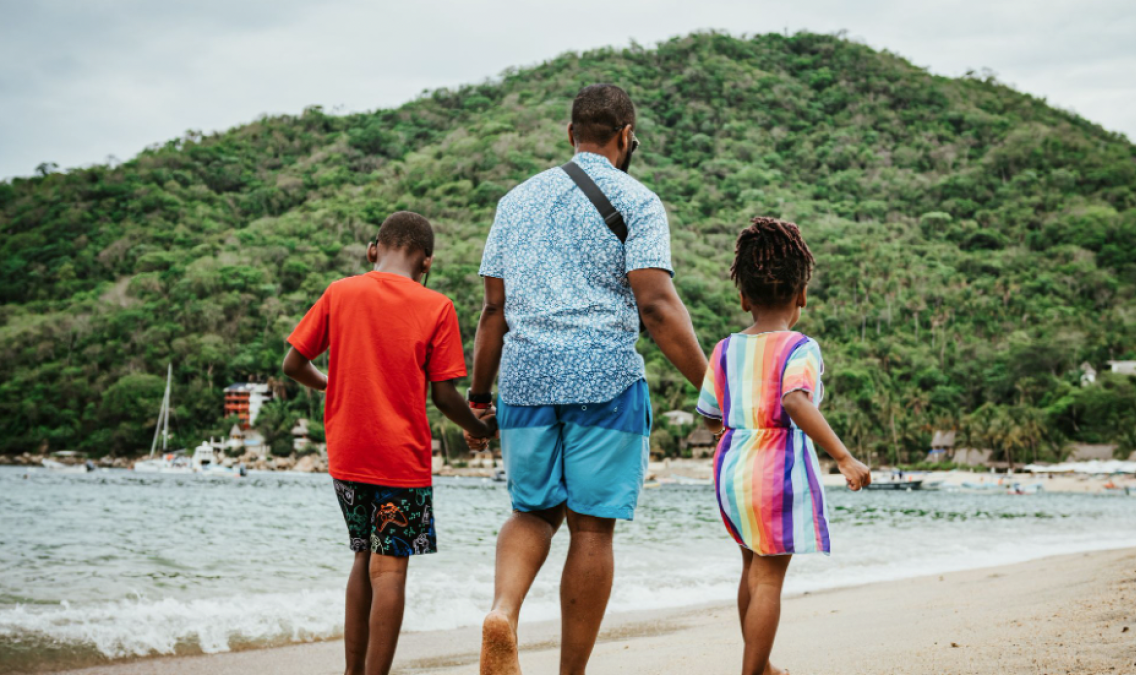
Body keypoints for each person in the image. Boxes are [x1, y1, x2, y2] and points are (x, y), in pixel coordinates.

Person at [467, 83, 710, 675]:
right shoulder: (639, 201)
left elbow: (492, 312)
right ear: (626, 138)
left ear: (570, 134)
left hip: (524, 381)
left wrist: (478, 395)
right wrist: (713, 386)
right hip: (604, 378)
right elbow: (657, 307)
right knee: (592, 530)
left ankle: (503, 612)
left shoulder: (514, 202)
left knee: (531, 513)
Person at [282, 211, 497, 675]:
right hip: (400, 457)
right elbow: (443, 395)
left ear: (372, 250)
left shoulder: (340, 292)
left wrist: (332, 383)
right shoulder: (435, 306)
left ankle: (352, 672)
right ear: (427, 263)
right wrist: (481, 428)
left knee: (362, 554)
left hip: (346, 451)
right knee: (390, 569)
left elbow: (293, 365)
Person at [695, 217, 872, 675]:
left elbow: (711, 414)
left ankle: (762, 663)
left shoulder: (724, 348)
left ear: (743, 297)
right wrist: (843, 456)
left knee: (750, 568)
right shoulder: (801, 347)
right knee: (770, 578)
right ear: (802, 296)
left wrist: (737, 433)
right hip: (777, 470)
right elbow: (795, 400)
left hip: (731, 470)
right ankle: (753, 672)